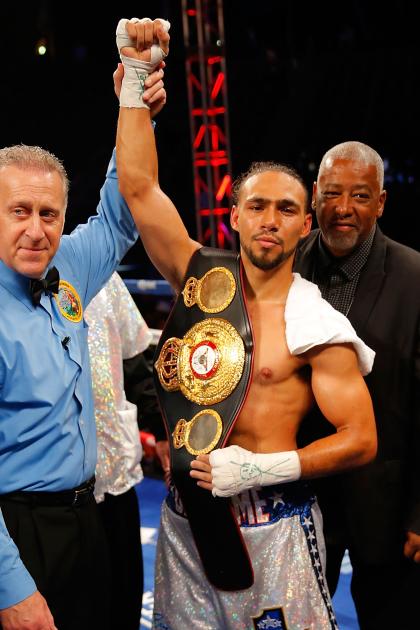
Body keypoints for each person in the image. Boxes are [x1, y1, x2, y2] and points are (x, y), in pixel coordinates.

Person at [114, 19, 377, 629]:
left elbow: (361, 437)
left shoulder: (314, 318)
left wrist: (262, 468)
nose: (270, 219)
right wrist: (133, 78)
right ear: (233, 214)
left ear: (304, 224)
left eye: (286, 209)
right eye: (256, 205)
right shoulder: (200, 278)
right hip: (186, 523)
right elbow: (139, 186)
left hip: (276, 528)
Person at [0, 62, 166, 629]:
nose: (36, 229)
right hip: (16, 532)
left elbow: (122, 213)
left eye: (49, 214)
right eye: (19, 211)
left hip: (87, 519)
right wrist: (10, 588)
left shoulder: (68, 264)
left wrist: (134, 99)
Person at [294, 140, 420, 629]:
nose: (343, 209)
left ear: (382, 202)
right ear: (315, 196)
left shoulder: (414, 278)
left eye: (361, 196)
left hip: (387, 505)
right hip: (300, 496)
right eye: (332, 194)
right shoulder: (283, 267)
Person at [85, 271, 153, 630]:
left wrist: (164, 435)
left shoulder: (102, 276)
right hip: (42, 495)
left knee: (122, 604)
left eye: (49, 212)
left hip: (114, 477)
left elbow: (138, 365)